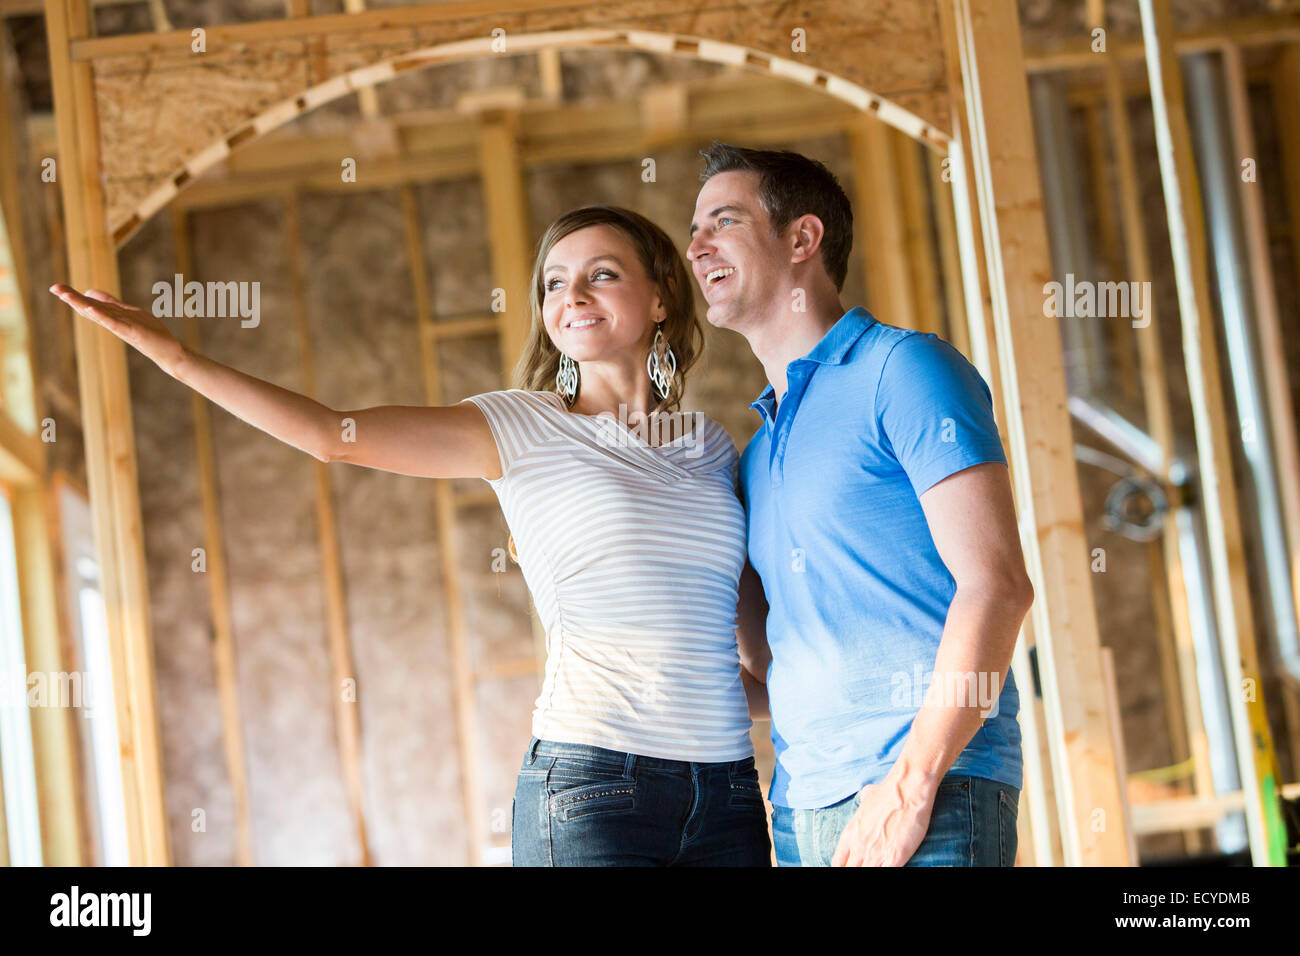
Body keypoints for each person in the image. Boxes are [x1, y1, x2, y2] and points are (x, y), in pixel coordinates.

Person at [49, 204, 773, 867]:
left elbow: (751, 653)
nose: (572, 295)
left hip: (731, 793)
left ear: (660, 297)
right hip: (595, 791)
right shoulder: (522, 426)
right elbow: (334, 435)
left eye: (601, 274)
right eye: (554, 283)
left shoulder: (707, 447)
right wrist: (178, 358)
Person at [686, 143, 1035, 867]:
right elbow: (776, 668)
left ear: (803, 238)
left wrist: (911, 785)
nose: (695, 247)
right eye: (695, 231)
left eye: (723, 221)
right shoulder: (760, 450)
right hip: (802, 810)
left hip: (930, 793)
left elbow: (997, 585)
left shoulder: (903, 370)